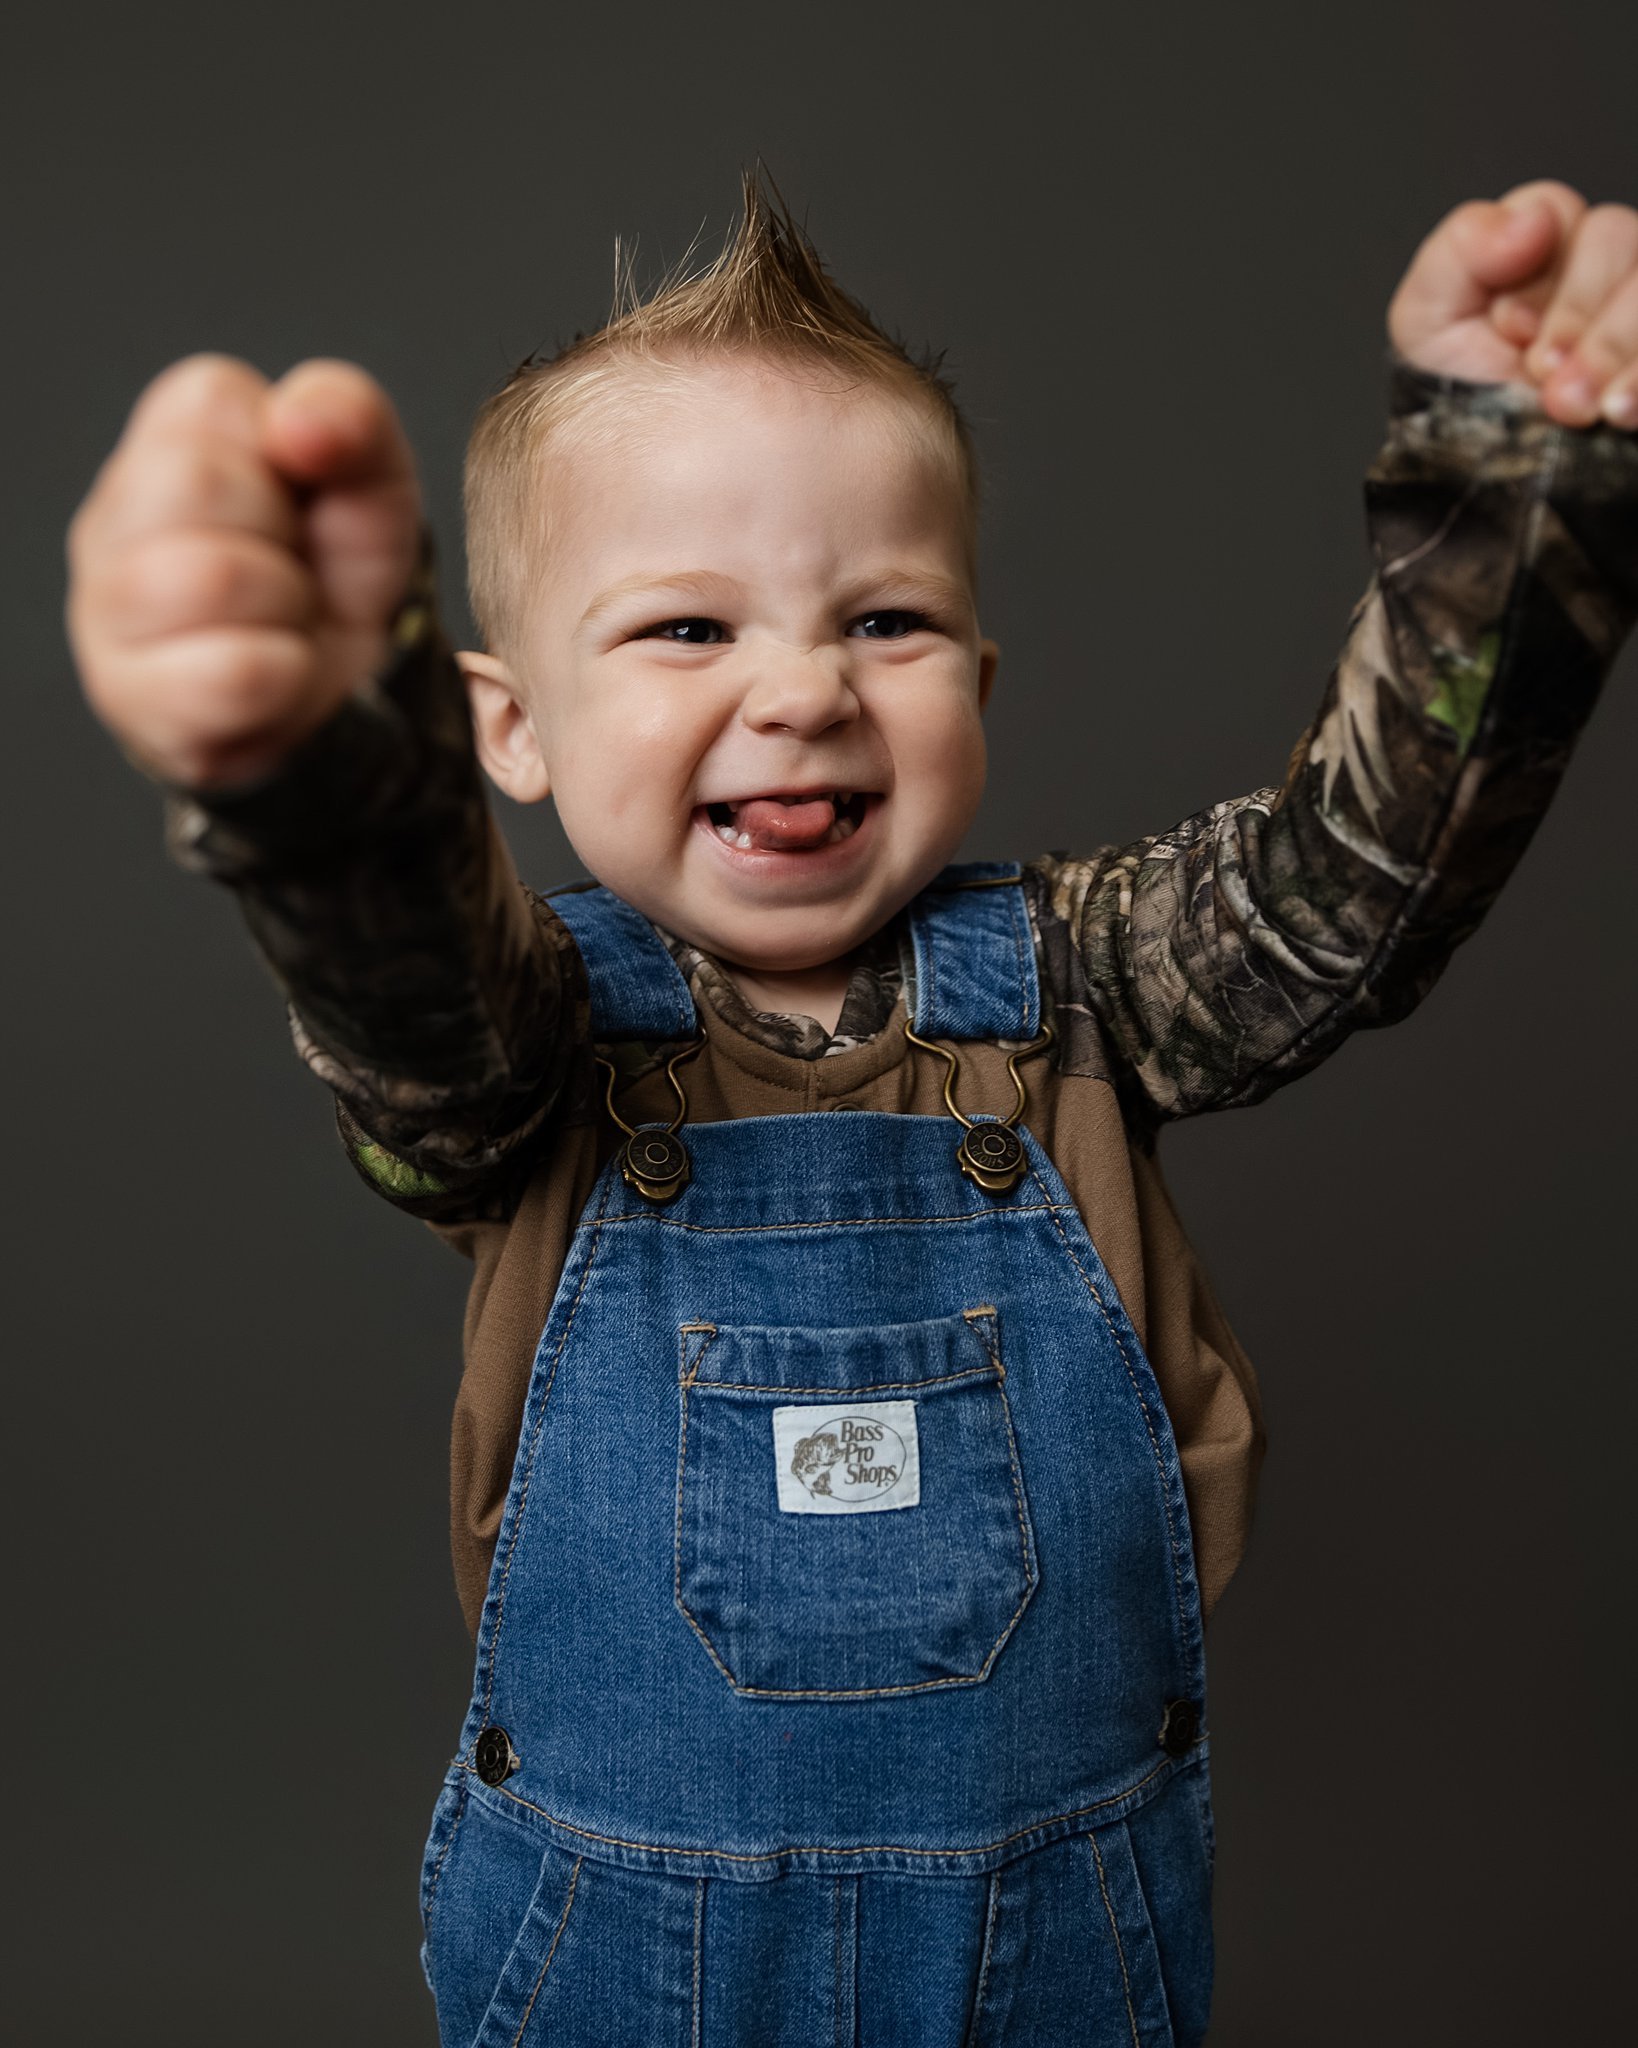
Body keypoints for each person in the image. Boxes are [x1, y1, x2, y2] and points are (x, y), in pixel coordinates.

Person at [66, 173, 1638, 2046]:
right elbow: (402, 993)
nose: (803, 689)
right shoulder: (528, 1038)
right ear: (509, 726)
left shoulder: (1089, 982)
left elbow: (1345, 896)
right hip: (621, 1948)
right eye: (685, 630)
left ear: (977, 681)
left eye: (886, 619)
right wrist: (322, 773)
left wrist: (1509, 493)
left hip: (1060, 1936)